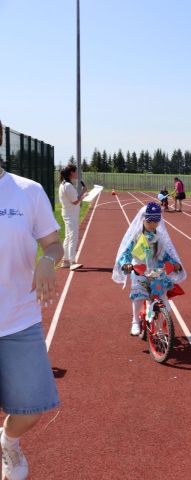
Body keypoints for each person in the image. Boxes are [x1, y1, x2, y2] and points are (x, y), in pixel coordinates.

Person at [1, 119, 63, 480]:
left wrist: (47, 259)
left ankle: (8, 442)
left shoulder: (27, 191)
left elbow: (53, 243)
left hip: (18, 320)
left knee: (31, 408)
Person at [112, 202, 186, 336]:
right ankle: (135, 321)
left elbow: (165, 255)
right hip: (139, 267)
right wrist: (126, 264)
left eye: (156, 222)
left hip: (155, 269)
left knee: (161, 296)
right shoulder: (136, 236)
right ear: (143, 220)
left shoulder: (160, 237)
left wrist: (175, 264)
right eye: (150, 221)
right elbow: (126, 253)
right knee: (139, 292)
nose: (153, 225)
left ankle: (159, 321)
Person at [58, 164, 87, 270]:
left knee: (68, 237)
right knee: (73, 237)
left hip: (68, 213)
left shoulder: (64, 184)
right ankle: (72, 261)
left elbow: (74, 199)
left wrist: (82, 193)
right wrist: (83, 195)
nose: (77, 174)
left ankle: (65, 261)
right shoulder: (68, 186)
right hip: (71, 215)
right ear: (71, 173)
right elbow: (75, 201)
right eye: (76, 172)